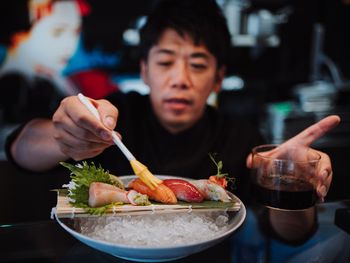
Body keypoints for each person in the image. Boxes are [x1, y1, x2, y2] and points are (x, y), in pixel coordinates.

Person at [6, 0, 340, 242]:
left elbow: (290, 234)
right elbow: (19, 149)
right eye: (166, 62)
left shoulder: (240, 137)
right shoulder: (113, 117)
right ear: (144, 71)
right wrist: (63, 137)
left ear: (218, 78)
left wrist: (290, 183)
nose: (180, 79)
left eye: (197, 64)